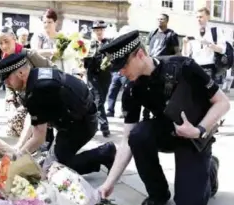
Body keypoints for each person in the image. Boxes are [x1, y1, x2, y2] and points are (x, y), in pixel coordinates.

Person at [97, 30, 229, 205]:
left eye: (124, 65)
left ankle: (210, 169)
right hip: (167, 131)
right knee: (137, 136)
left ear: (140, 54)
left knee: (188, 201)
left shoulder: (184, 67)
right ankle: (158, 194)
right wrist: (108, 183)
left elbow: (222, 102)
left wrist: (199, 130)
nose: (120, 72)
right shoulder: (132, 89)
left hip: (195, 136)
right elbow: (126, 140)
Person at [0, 52, 117, 175]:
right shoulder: (36, 76)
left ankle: (104, 153)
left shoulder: (38, 89)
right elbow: (33, 119)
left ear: (21, 73)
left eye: (7, 78)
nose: (6, 83)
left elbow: (39, 138)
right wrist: (19, 147)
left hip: (81, 125)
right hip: (76, 119)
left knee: (53, 170)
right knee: (48, 164)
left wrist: (16, 158)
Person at [0, 27, 56, 148]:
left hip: (42, 100)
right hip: (25, 100)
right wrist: (10, 95)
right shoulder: (4, 60)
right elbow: (8, 83)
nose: (4, 46)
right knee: (28, 132)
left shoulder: (29, 54)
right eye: (1, 43)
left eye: (6, 41)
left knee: (43, 134)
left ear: (14, 38)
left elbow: (53, 69)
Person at [141, 13, 180, 120]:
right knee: (149, 90)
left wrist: (173, 65)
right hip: (152, 65)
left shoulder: (172, 35)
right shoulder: (152, 33)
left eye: (162, 19)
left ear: (167, 21)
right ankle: (146, 115)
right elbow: (148, 49)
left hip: (165, 67)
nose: (159, 21)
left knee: (163, 92)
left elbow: (177, 53)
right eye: (158, 19)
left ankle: (160, 115)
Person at [84, 20, 112, 137]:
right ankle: (104, 126)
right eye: (96, 30)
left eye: (100, 29)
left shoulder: (109, 43)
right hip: (92, 75)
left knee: (99, 101)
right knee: (99, 100)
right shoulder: (88, 44)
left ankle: (89, 121)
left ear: (103, 30)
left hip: (105, 75)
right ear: (94, 31)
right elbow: (82, 58)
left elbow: (114, 58)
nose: (98, 32)